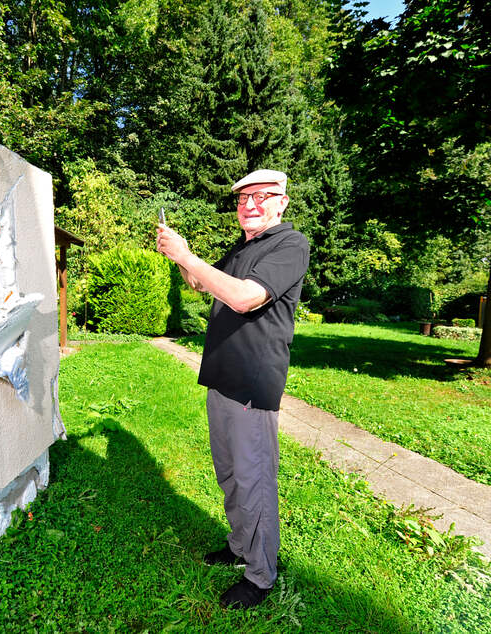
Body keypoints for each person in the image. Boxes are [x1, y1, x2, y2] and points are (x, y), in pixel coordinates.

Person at [155, 169, 309, 609]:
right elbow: (204, 284)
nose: (251, 204)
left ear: (281, 202)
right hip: (221, 379)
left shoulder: (289, 245)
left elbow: (245, 298)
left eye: (263, 197)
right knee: (230, 476)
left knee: (254, 480)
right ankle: (239, 547)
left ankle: (260, 576)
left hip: (251, 384)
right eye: (243, 198)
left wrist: (191, 257)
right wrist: (182, 257)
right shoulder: (244, 247)